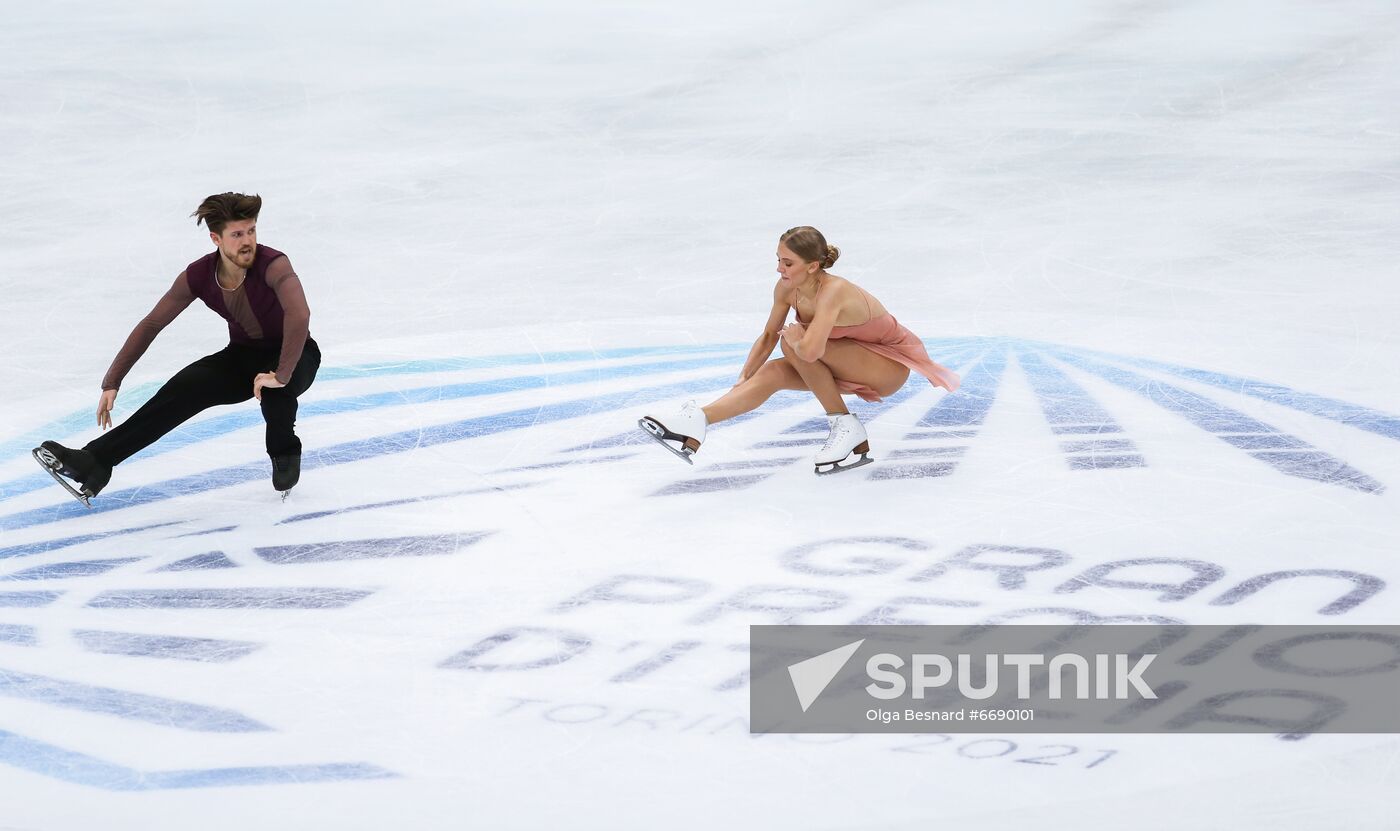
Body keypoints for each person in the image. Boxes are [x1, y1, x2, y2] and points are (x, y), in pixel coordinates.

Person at [32, 192, 320, 505]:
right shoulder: (199, 275)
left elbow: (299, 314)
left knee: (275, 391)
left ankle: (285, 452)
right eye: (237, 234)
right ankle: (95, 462)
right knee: (183, 388)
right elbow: (152, 324)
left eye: (251, 231)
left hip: (297, 353)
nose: (247, 240)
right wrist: (112, 380)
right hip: (241, 356)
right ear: (216, 238)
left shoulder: (273, 264)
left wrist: (281, 373)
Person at [639, 226, 960, 475]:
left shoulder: (834, 292)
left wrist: (792, 340)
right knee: (773, 372)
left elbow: (808, 350)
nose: (780, 268)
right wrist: (743, 378)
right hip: (835, 356)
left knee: (793, 340)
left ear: (813, 265)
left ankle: (845, 426)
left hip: (886, 367)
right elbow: (767, 336)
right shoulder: (786, 288)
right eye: (778, 259)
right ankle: (698, 422)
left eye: (788, 262)